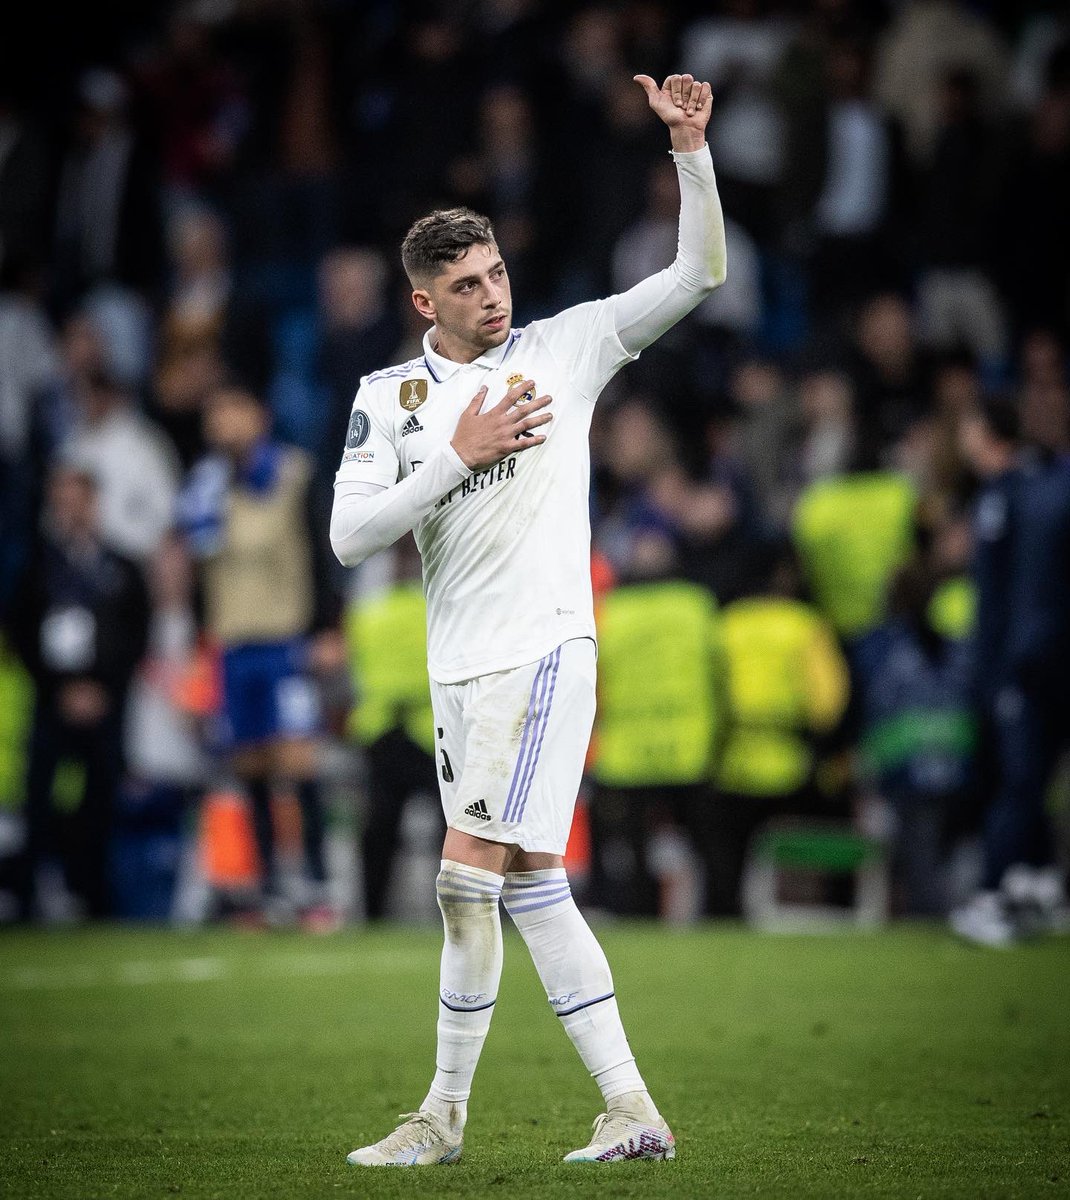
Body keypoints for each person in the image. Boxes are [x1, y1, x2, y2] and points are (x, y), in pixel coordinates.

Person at [330, 73, 726, 1166]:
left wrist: (690, 154)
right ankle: (629, 1110)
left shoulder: (567, 347)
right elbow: (349, 537)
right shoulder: (387, 400)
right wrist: (454, 458)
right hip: (456, 670)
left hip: (546, 649)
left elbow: (698, 272)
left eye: (496, 271)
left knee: (465, 878)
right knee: (529, 884)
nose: (492, 294)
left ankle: (440, 1117)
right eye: (465, 285)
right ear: (425, 304)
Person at [6, 463, 150, 919]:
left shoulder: (121, 567)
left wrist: (104, 688)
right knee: (39, 799)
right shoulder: (38, 567)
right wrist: (59, 690)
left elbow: (136, 635)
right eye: (61, 503)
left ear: (94, 503)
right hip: (53, 703)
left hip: (106, 703)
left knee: (101, 803)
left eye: (77, 501)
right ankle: (29, 897)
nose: (69, 511)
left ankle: (96, 897)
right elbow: (21, 634)